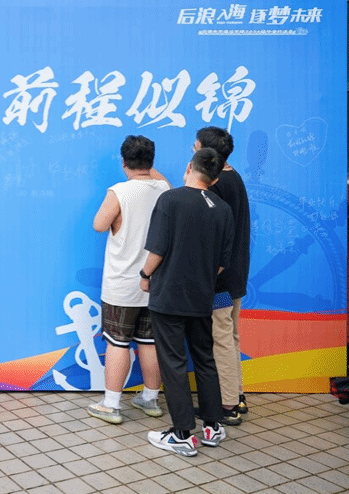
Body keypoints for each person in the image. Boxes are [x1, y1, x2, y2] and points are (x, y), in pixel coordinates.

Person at [140, 148, 234, 457]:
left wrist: (145, 275)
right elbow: (222, 263)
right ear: (215, 179)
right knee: (204, 358)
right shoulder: (223, 209)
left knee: (173, 362)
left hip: (168, 295)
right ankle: (212, 426)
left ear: (188, 167)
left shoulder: (170, 200)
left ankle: (181, 433)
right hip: (202, 296)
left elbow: (157, 249)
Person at [88, 135, 170, 425]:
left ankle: (111, 404)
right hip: (155, 282)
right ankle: (150, 398)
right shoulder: (164, 189)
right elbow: (159, 179)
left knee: (118, 342)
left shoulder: (119, 191)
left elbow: (99, 225)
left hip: (122, 284)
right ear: (151, 161)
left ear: (123, 162)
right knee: (149, 342)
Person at [195, 127, 251, 424]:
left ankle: (227, 405)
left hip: (221, 279)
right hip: (235, 275)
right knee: (230, 335)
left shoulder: (216, 186)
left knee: (221, 338)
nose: (192, 151)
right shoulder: (234, 177)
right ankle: (236, 395)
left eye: (195, 147)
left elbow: (212, 237)